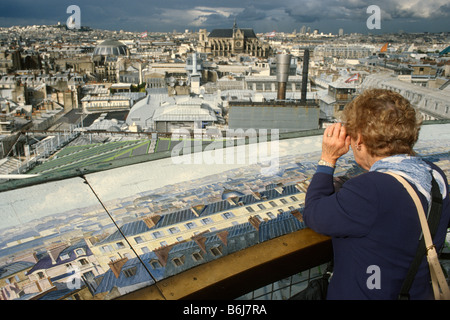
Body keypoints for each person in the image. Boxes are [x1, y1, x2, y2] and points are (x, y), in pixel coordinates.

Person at [303, 88, 450, 300]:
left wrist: (328, 159)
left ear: (359, 139)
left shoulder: (369, 190)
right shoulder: (434, 175)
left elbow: (315, 214)